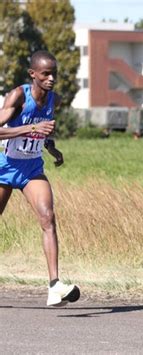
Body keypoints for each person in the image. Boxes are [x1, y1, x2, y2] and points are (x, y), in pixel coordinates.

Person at [0, 50, 80, 306]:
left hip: (32, 168)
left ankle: (55, 285)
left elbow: (44, 130)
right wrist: (32, 128)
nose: (51, 78)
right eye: (46, 74)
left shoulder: (52, 98)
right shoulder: (19, 96)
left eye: (54, 73)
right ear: (32, 74)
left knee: (48, 218)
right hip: (6, 166)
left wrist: (51, 147)